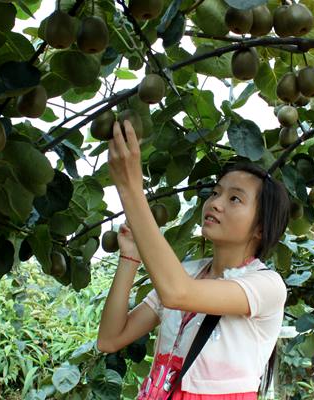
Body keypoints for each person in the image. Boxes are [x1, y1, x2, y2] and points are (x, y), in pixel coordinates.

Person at [97, 119, 291, 399]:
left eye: (235, 199)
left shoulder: (266, 286)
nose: (215, 203)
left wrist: (131, 190)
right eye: (216, 192)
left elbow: (178, 294)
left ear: (261, 227)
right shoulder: (186, 273)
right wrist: (130, 257)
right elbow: (110, 339)